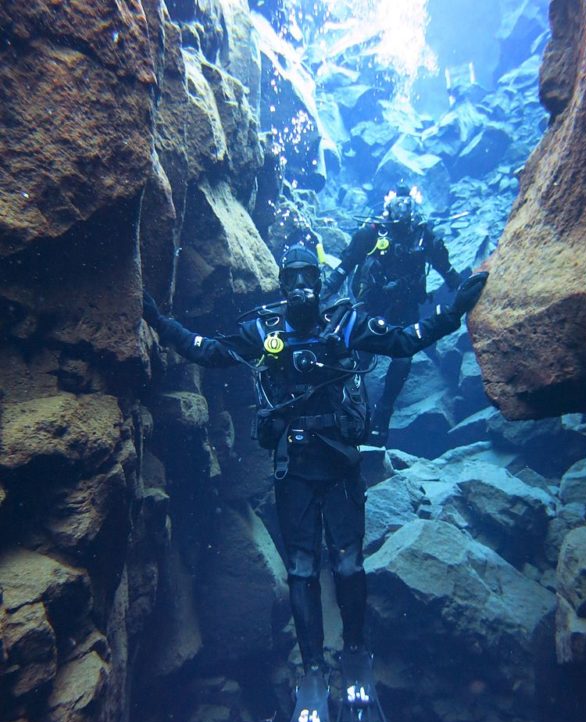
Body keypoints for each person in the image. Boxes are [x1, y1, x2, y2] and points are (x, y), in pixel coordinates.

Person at [142, 245, 487, 675]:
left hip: (341, 463)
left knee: (348, 564)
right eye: (293, 278)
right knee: (302, 569)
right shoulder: (264, 332)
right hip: (294, 467)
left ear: (320, 283)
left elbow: (404, 340)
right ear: (282, 283)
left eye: (309, 276)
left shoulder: (344, 325)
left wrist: (454, 310)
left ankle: (354, 652)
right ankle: (312, 669)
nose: (301, 285)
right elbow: (207, 351)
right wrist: (159, 321)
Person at [322, 184, 463, 445]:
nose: (402, 209)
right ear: (388, 206)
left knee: (402, 357)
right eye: (398, 203)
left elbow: (447, 269)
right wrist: (322, 295)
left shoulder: (423, 236)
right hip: (372, 303)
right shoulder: (372, 232)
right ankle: (352, 409)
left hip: (404, 306)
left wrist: (467, 292)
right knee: (361, 357)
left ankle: (384, 410)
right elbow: (345, 266)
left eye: (407, 203)